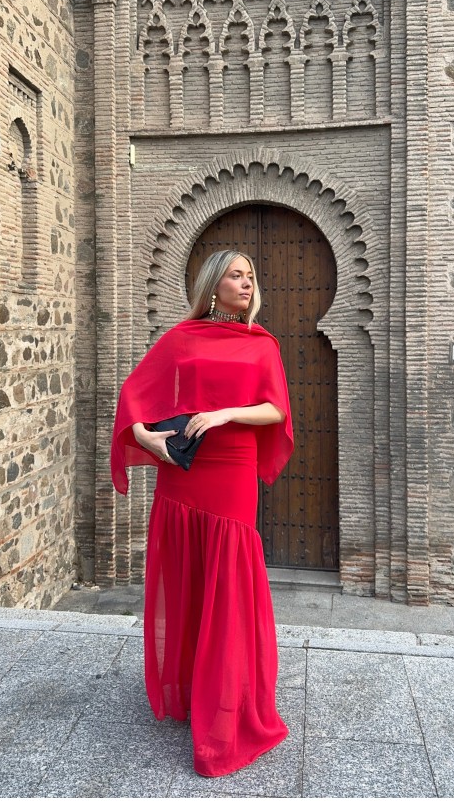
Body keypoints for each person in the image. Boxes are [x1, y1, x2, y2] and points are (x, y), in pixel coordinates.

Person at [110, 249, 294, 777]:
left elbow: (276, 409)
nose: (246, 281)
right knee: (189, 577)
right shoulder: (181, 338)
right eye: (235, 274)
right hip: (182, 474)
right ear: (214, 285)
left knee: (229, 583)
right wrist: (149, 439)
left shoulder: (263, 344)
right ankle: (191, 691)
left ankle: (227, 707)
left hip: (232, 467)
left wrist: (224, 413)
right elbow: (134, 397)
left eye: (251, 275)